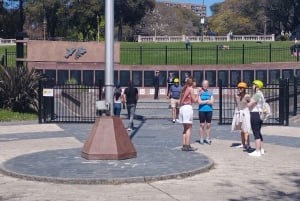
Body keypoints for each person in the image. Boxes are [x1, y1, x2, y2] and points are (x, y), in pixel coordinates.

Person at [179, 78, 198, 151]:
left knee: (185, 128)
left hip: (182, 108)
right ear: (192, 82)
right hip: (187, 108)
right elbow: (194, 100)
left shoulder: (184, 89)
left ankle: (184, 144)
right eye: (195, 82)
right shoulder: (190, 89)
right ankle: (187, 145)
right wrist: (198, 93)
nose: (196, 83)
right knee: (189, 128)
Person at [247, 80, 265, 157]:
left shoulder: (257, 95)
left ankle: (257, 151)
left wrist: (246, 101)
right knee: (258, 132)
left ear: (257, 86)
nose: (252, 86)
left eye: (253, 85)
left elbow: (250, 105)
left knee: (256, 132)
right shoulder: (261, 94)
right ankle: (261, 149)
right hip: (260, 114)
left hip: (255, 114)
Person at [231, 82, 251, 150]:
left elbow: (250, 104)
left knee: (246, 129)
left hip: (245, 113)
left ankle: (247, 144)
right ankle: (243, 143)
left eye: (241, 88)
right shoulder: (236, 96)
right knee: (241, 129)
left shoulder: (247, 96)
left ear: (244, 89)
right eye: (238, 88)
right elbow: (237, 104)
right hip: (239, 113)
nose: (239, 89)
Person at [198, 80, 214, 145]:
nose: (205, 85)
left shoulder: (210, 92)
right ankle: (201, 138)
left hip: (209, 110)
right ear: (202, 85)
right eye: (204, 84)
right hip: (201, 110)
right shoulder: (200, 92)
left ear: (208, 85)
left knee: (208, 125)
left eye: (206, 84)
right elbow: (199, 102)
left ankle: (207, 138)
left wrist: (203, 101)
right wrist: (207, 101)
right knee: (202, 125)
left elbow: (212, 102)